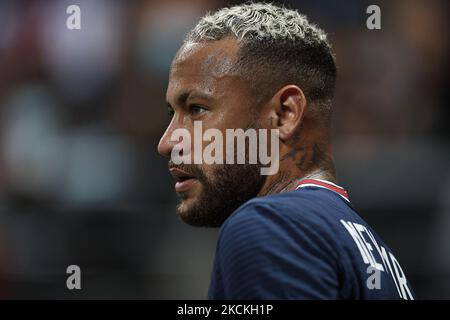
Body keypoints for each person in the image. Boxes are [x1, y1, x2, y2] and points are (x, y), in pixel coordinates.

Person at [157, 2, 415, 299]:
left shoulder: (269, 226)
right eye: (171, 114)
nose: (166, 143)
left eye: (197, 109)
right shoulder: (376, 253)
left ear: (285, 113)